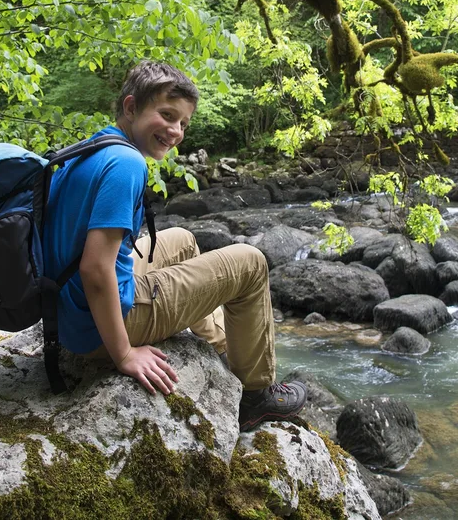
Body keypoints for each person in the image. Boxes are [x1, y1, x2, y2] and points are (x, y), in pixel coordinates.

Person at [43, 60, 306, 431]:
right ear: (131, 107)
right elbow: (94, 268)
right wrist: (123, 354)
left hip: (67, 310)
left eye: (183, 123)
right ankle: (256, 396)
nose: (176, 131)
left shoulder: (96, 145)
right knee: (250, 262)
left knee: (183, 239)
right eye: (166, 115)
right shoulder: (126, 164)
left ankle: (223, 348)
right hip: (102, 325)